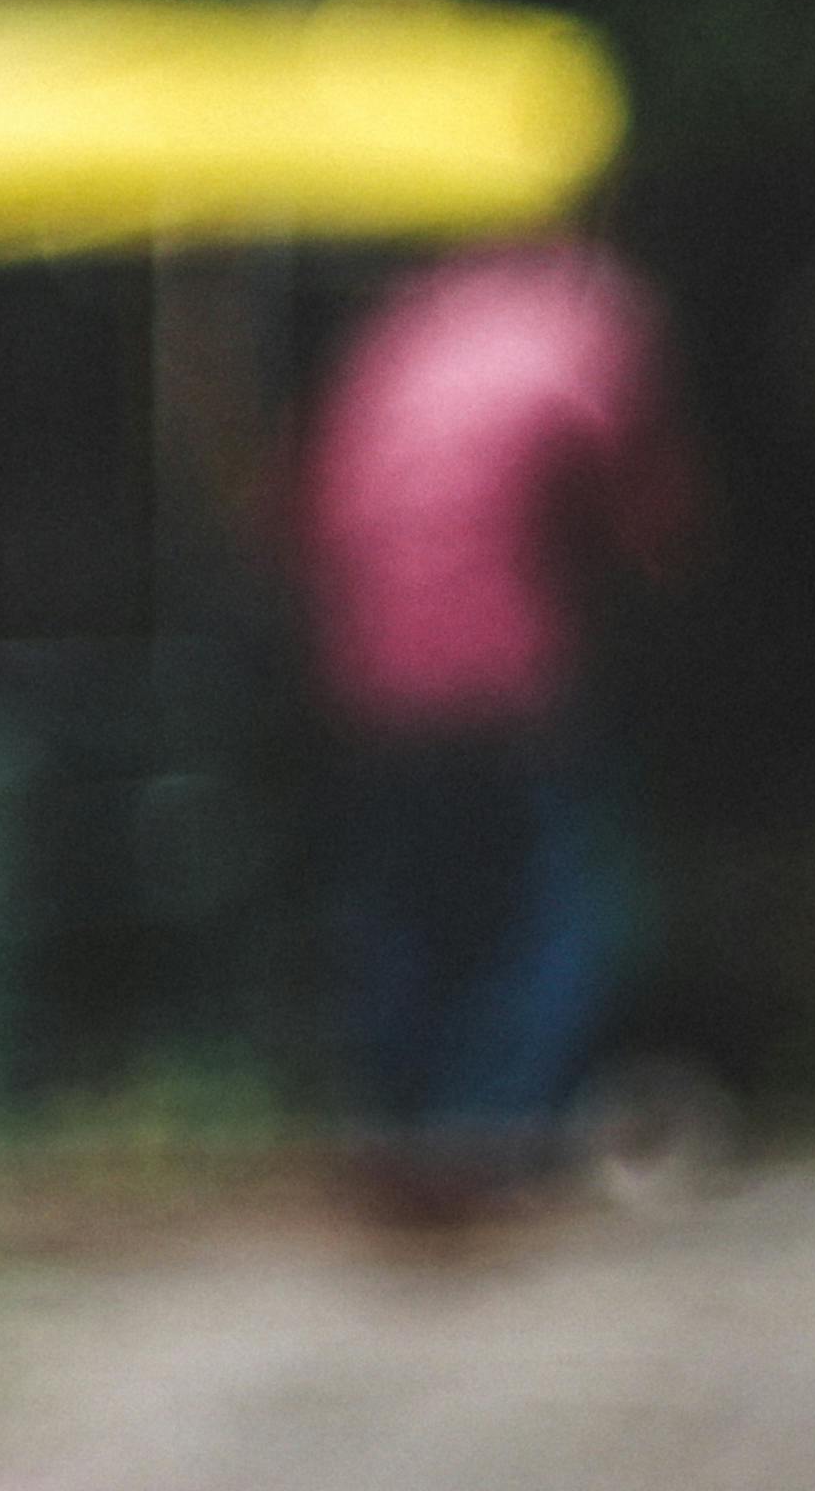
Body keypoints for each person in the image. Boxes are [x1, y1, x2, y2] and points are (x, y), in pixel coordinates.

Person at [300, 232, 696, 1207]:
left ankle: (406, 1124)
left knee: (412, 910)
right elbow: (645, 516)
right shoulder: (583, 332)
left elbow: (309, 508)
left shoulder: (402, 332)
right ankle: (498, 1131)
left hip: (372, 679)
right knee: (549, 911)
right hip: (504, 676)